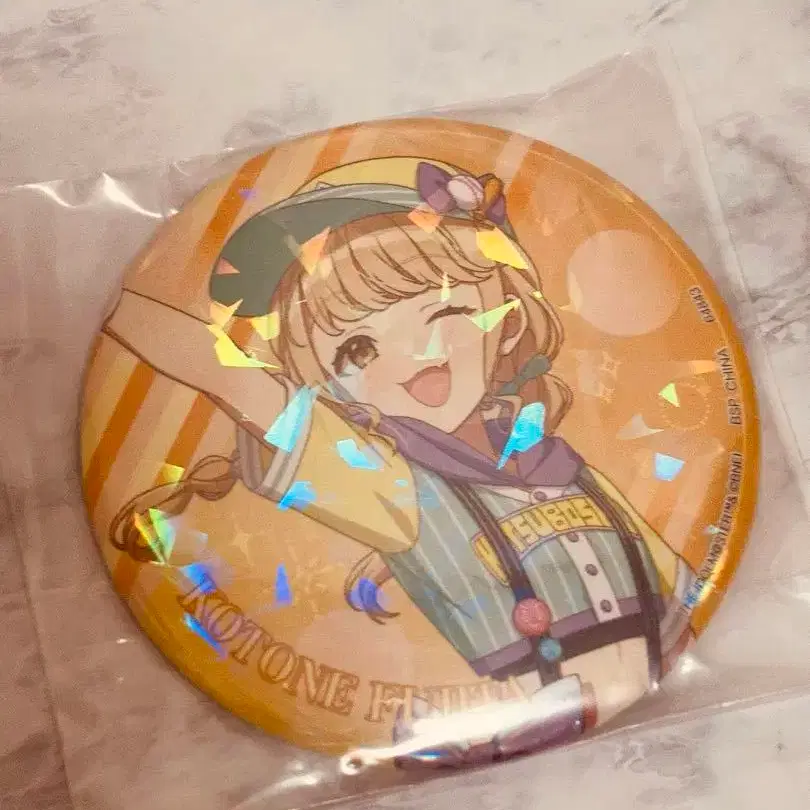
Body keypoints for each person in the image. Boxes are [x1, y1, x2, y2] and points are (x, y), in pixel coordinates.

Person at [105, 157, 695, 762]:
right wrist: (106, 305)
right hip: (524, 743)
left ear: (508, 323)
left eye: (445, 313)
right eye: (358, 349)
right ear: (323, 381)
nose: (414, 355)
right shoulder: (393, 485)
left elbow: (684, 600)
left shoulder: (565, 466)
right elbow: (226, 377)